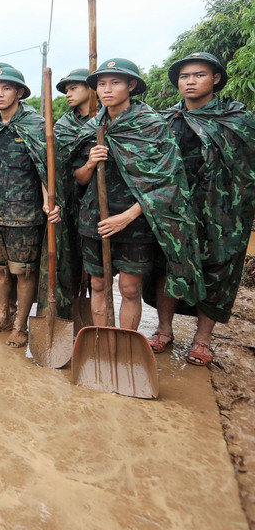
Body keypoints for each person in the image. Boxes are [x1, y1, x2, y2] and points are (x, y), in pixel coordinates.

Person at [70, 58, 202, 332]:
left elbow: (169, 182)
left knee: (129, 288)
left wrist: (126, 217)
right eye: (102, 84)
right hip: (95, 218)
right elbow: (78, 179)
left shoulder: (152, 126)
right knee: (97, 283)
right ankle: (102, 342)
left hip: (135, 220)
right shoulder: (91, 128)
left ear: (131, 85)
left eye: (115, 82)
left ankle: (125, 343)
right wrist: (91, 163)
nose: (107, 89)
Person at [149, 52, 255, 366]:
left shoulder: (236, 119)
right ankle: (164, 330)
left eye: (199, 75)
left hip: (223, 213)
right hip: (176, 211)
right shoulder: (167, 120)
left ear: (216, 79)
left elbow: (248, 168)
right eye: (185, 77)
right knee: (169, 266)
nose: (191, 81)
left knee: (217, 269)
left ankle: (202, 340)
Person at [0, 66, 61, 347]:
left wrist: (50, 201)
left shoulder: (35, 125)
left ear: (20, 92)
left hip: (25, 213)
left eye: (6, 88)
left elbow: (45, 167)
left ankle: (20, 326)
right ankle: (1, 316)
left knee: (22, 271)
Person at [54, 68, 94, 302]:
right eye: (66, 90)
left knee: (100, 267)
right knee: (69, 257)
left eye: (74, 88)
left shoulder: (110, 118)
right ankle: (72, 304)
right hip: (70, 201)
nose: (68, 94)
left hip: (106, 202)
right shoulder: (63, 125)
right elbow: (56, 165)